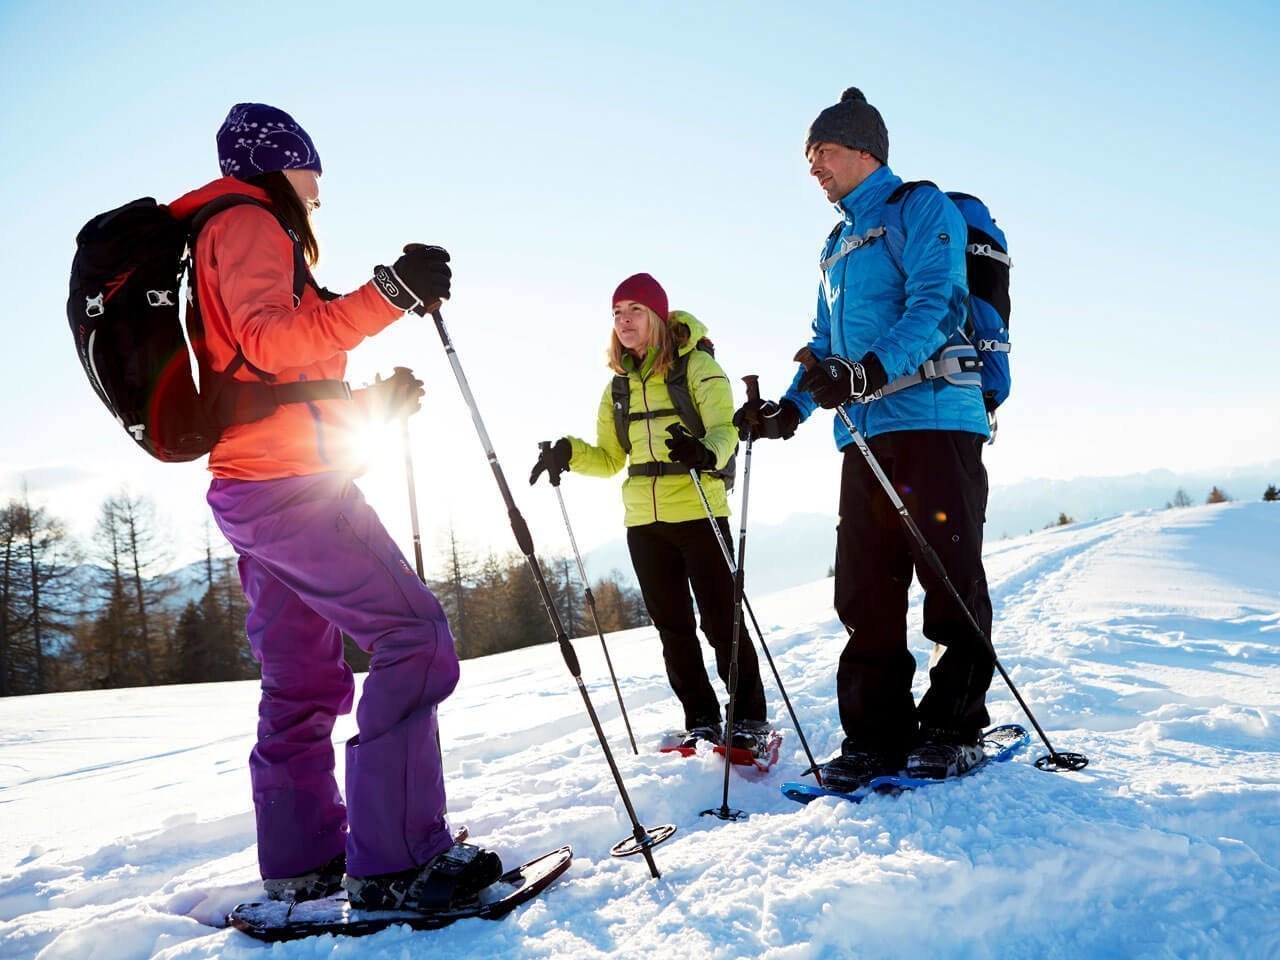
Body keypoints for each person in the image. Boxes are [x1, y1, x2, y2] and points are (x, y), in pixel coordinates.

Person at [171, 102, 500, 911]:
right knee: (413, 638)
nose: (319, 189)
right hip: (293, 489)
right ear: (285, 163)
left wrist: (368, 403)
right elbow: (269, 339)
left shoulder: (225, 230)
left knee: (303, 677)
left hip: (252, 484)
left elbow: (275, 382)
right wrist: (388, 292)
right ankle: (399, 859)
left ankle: (302, 855)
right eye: (312, 169)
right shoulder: (249, 220)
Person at [735, 88, 995, 788]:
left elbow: (936, 306)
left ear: (861, 149)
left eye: (820, 152)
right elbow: (824, 345)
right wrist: (787, 411)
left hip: (937, 419)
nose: (812, 168)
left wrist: (868, 369)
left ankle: (954, 727)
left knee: (948, 577)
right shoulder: (835, 243)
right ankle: (877, 736)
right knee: (865, 589)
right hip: (864, 433)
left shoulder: (918, 207)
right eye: (808, 157)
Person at [530, 273, 771, 754]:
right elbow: (610, 458)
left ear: (659, 317)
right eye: (617, 312)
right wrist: (569, 455)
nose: (623, 320)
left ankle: (748, 722)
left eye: (635, 310)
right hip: (644, 523)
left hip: (701, 511)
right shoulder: (617, 388)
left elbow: (726, 431)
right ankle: (700, 718)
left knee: (722, 620)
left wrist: (703, 452)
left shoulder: (698, 368)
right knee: (673, 627)